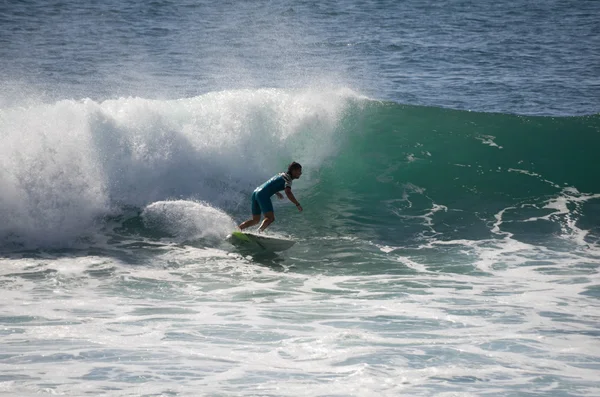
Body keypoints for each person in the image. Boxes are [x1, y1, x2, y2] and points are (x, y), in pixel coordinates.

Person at [238, 162, 303, 232]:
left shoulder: (281, 174)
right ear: (293, 170)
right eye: (299, 171)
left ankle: (237, 229)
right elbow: (288, 192)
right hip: (263, 195)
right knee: (270, 218)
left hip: (256, 192)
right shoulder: (288, 180)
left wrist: (277, 193)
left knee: (255, 220)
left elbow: (271, 183)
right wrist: (297, 204)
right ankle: (258, 232)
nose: (300, 173)